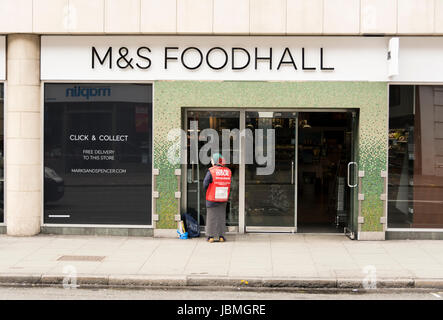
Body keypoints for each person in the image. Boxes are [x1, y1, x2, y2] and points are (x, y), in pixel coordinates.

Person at [203, 153, 232, 243]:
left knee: (211, 217)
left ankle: (211, 236)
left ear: (215, 161)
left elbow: (205, 183)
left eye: (212, 160)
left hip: (212, 197)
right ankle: (221, 236)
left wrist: (206, 190)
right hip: (223, 197)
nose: (211, 161)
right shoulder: (228, 171)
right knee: (221, 217)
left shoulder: (211, 171)